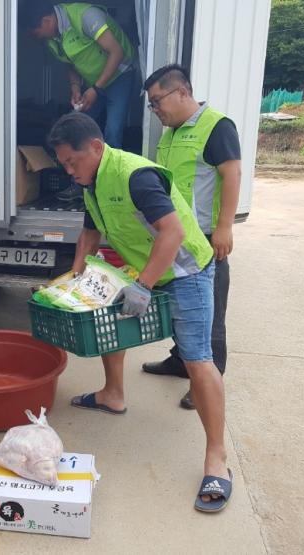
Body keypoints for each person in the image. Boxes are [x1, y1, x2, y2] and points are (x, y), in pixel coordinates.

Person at [51, 112, 232, 513]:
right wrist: (74, 278)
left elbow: (174, 233)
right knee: (106, 318)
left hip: (186, 270)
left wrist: (143, 285)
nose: (68, 170)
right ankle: (112, 393)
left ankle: (217, 457)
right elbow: (89, 232)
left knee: (197, 358)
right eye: (63, 162)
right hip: (145, 265)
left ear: (96, 148)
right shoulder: (91, 181)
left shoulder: (135, 175)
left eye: (72, 161)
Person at [140, 64, 242, 411]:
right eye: (151, 105)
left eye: (157, 102)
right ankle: (180, 361)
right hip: (180, 237)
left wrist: (226, 226)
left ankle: (206, 383)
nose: (155, 111)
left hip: (208, 237)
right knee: (179, 308)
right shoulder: (170, 133)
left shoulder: (216, 126)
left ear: (181, 92)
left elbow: (232, 173)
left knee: (209, 314)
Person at [20, 1, 137, 152]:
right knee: (77, 126)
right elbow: (71, 62)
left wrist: (96, 89)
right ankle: (82, 169)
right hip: (95, 82)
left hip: (120, 74)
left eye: (36, 33)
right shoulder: (52, 39)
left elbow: (117, 52)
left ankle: (110, 173)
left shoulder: (86, 16)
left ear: (46, 21)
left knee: (113, 131)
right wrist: (75, 88)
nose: (37, 38)